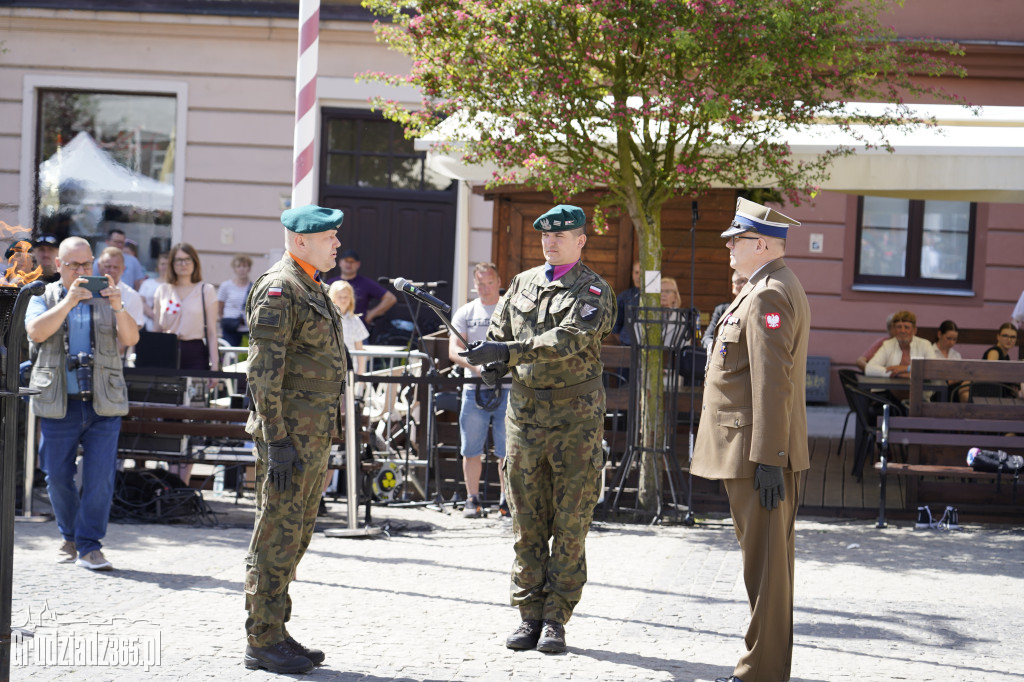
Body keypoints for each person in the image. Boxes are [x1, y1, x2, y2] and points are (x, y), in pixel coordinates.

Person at [460, 204, 615, 654]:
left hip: (575, 420)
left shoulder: (593, 290)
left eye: (562, 236)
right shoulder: (522, 285)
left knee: (570, 523)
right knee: (526, 522)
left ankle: (556, 618)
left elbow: (568, 340)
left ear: (581, 240)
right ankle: (528, 614)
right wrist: (490, 364)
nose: (551, 242)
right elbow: (499, 328)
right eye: (546, 236)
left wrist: (506, 353)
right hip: (525, 418)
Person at [691, 198, 810, 682]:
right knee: (767, 569)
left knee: (765, 571)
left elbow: (773, 382)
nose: (729, 250)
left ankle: (757, 673)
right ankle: (765, 669)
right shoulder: (769, 286)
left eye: (736, 241)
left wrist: (767, 459)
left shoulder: (768, 293)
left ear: (760, 243)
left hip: (755, 454)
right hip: (753, 451)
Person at [243, 204, 347, 674]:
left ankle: (277, 630)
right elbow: (264, 374)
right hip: (288, 435)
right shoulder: (281, 288)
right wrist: (277, 438)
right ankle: (261, 639)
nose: (338, 244)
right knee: (275, 535)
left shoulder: (311, 286)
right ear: (301, 241)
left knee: (296, 535)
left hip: (311, 433)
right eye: (330, 237)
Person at [25, 236, 138, 571]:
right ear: (58, 265)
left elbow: (131, 339)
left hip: (103, 402)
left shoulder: (110, 295)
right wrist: (68, 303)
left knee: (100, 477)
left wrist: (118, 306)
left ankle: (90, 546)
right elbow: (35, 332)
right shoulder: (42, 295)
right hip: (59, 402)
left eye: (86, 264)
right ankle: (70, 535)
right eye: (73, 264)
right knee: (56, 476)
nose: (81, 270)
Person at [447, 262, 510, 519]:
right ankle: (472, 499)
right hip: (474, 387)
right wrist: (476, 367)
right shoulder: (465, 312)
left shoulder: (510, 309)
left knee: (507, 449)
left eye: (489, 282)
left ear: (498, 281)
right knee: (471, 447)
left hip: (507, 387)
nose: (484, 288)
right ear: (475, 285)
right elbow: (453, 350)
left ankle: (508, 501)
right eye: (480, 283)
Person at [153, 243, 220, 373]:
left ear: (195, 262)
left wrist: (215, 366)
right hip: (167, 349)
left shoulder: (206, 290)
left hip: (194, 351)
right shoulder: (163, 290)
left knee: (193, 392)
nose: (183, 264)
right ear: (172, 264)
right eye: (178, 260)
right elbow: (156, 329)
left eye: (187, 259)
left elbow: (212, 332)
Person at [326, 248, 396, 327]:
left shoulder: (366, 283)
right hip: (334, 329)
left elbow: (390, 298)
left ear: (358, 264)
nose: (349, 264)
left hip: (358, 330)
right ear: (340, 263)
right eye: (346, 261)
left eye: (352, 262)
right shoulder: (330, 283)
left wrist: (372, 314)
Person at [864, 310, 936, 377]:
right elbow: (869, 368)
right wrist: (897, 374)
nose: (903, 331)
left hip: (920, 390)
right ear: (894, 329)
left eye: (907, 327)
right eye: (899, 327)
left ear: (914, 330)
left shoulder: (925, 344)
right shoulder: (887, 344)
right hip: (891, 389)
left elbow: (934, 369)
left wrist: (907, 368)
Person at [97, 246, 145, 329]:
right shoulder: (87, 291)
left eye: (115, 267)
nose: (111, 270)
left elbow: (134, 332)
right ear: (99, 266)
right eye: (107, 266)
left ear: (123, 269)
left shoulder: (133, 296)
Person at [703, 270, 748, 353]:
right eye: (740, 281)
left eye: (746, 281)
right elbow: (707, 338)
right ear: (733, 287)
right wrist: (717, 348)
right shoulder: (722, 309)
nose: (744, 284)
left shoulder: (755, 308)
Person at [218, 254, 253, 347]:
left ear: (249, 268)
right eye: (238, 266)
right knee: (229, 356)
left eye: (244, 266)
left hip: (247, 329)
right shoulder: (226, 286)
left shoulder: (253, 287)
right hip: (230, 329)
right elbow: (219, 307)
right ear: (234, 269)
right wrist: (226, 320)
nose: (242, 269)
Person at [611, 261, 640, 345]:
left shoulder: (656, 298)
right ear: (632, 274)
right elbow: (615, 326)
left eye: (642, 273)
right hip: (627, 346)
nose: (639, 276)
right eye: (636, 272)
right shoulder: (624, 297)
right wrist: (625, 340)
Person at [138, 252, 168, 332]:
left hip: (167, 329)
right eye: (162, 264)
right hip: (146, 327)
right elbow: (141, 301)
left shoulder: (176, 286)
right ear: (158, 266)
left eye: (168, 264)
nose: (165, 267)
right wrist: (154, 316)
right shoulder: (147, 283)